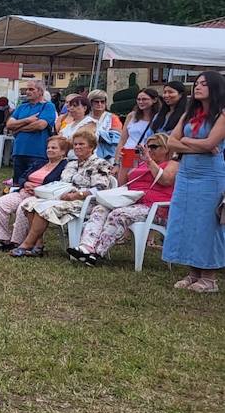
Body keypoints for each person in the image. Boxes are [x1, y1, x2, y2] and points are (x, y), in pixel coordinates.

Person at [69, 134, 178, 266]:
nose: (149, 150)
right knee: (100, 208)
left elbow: (166, 180)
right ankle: (86, 247)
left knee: (118, 214)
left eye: (154, 147)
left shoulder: (172, 163)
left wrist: (149, 161)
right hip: (133, 201)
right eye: (147, 147)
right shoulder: (142, 164)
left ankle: (96, 254)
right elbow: (123, 184)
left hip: (155, 208)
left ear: (166, 148)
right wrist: (124, 164)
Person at [162, 72, 225, 292]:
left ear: (215, 87)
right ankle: (193, 273)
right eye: (196, 83)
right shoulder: (190, 113)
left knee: (206, 224)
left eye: (204, 84)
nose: (197, 87)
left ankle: (209, 277)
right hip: (187, 173)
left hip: (210, 175)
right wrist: (193, 143)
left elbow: (211, 144)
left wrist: (186, 141)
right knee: (185, 220)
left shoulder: (221, 114)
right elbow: (170, 142)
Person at [11, 129, 115, 257]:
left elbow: (100, 189)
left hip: (85, 202)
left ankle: (26, 244)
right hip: (62, 198)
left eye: (81, 144)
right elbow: (60, 183)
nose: (77, 147)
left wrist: (77, 195)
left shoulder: (100, 164)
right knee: (30, 204)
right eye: (75, 144)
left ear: (92, 147)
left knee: (43, 209)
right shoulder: (71, 164)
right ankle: (38, 245)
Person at [0, 136, 70, 251]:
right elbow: (22, 176)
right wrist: (26, 183)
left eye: (54, 148)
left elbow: (59, 185)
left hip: (40, 197)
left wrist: (39, 188)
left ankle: (17, 242)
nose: (49, 150)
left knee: (23, 208)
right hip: (24, 192)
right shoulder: (40, 163)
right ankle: (3, 239)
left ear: (63, 151)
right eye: (48, 147)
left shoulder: (65, 167)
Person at [5, 79, 57, 186]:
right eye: (26, 89)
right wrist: (27, 120)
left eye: (31, 89)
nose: (27, 92)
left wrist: (18, 128)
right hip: (18, 151)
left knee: (33, 184)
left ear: (40, 91)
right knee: (17, 184)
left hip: (37, 153)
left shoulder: (48, 106)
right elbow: (9, 125)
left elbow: (40, 125)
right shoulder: (21, 107)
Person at [117, 87, 161, 184]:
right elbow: (122, 140)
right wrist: (116, 161)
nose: (141, 102)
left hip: (145, 155)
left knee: (139, 183)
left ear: (154, 100)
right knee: (122, 184)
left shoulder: (158, 118)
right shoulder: (132, 115)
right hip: (128, 152)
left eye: (144, 99)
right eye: (139, 99)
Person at [88, 89, 123, 160]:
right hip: (89, 153)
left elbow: (118, 137)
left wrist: (100, 135)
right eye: (96, 102)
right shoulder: (86, 117)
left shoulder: (112, 117)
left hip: (109, 154)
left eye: (102, 102)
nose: (100, 104)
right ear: (91, 103)